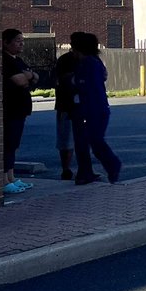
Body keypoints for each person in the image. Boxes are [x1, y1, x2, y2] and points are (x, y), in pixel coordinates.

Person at [72, 32, 122, 184]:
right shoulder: (95, 61)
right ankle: (104, 167)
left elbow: (86, 85)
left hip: (93, 108)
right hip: (96, 107)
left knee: (94, 140)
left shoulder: (88, 63)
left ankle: (113, 164)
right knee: (92, 141)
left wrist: (74, 81)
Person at [1, 28, 37, 194]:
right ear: (5, 42)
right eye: (17, 40)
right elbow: (20, 80)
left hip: (21, 110)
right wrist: (28, 76)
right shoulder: (5, 60)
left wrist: (29, 76)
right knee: (7, 144)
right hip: (10, 109)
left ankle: (12, 177)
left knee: (14, 145)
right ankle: (3, 180)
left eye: (22, 40)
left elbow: (35, 77)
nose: (21, 43)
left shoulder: (19, 60)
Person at [53, 32, 84, 181]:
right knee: (66, 139)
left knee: (82, 138)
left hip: (84, 104)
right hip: (66, 105)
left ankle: (83, 168)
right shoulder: (65, 60)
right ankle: (66, 168)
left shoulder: (90, 59)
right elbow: (61, 79)